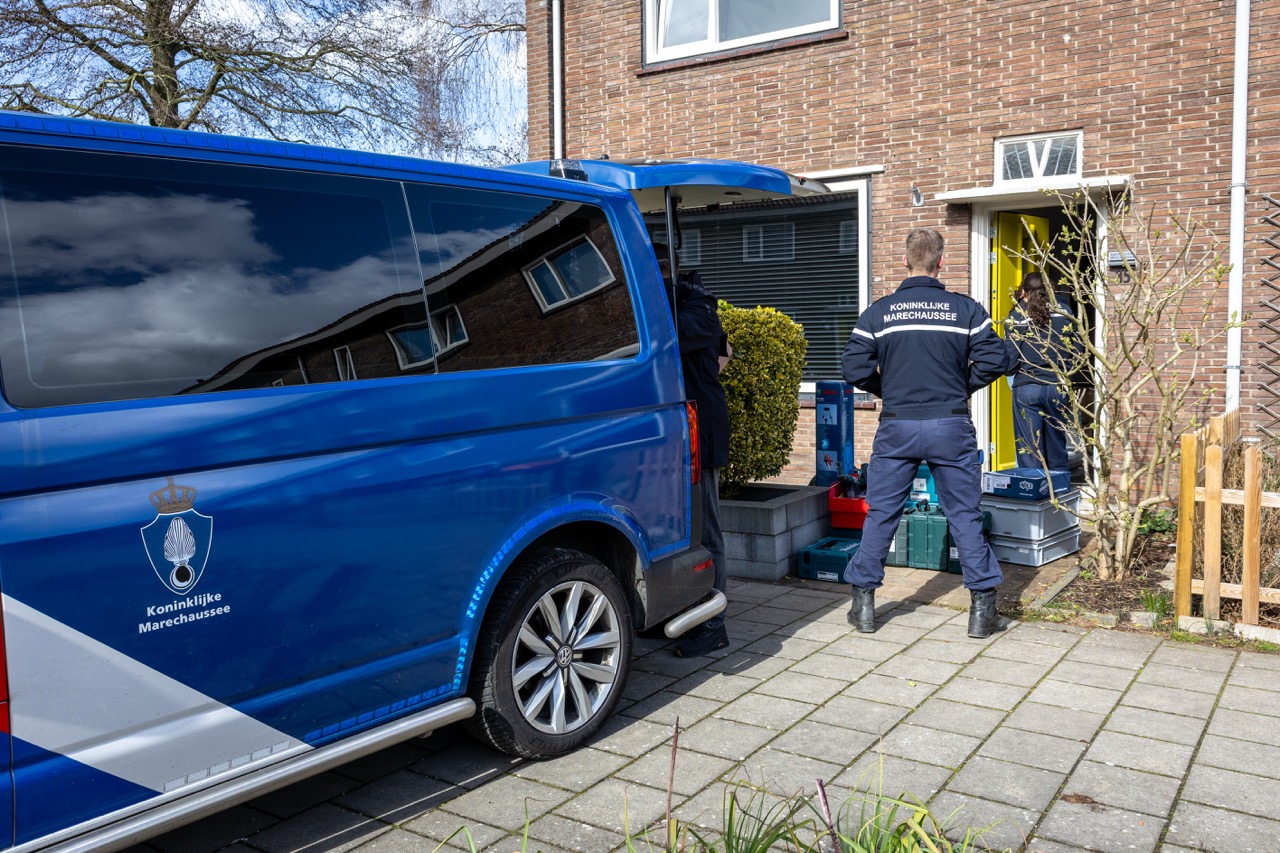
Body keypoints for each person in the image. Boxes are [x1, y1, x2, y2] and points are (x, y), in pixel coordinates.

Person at [841, 227, 1019, 638]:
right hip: (950, 425)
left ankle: (864, 605)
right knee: (964, 514)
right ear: (941, 263)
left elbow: (853, 369)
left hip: (897, 425)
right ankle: (981, 611)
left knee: (882, 512)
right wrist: (963, 386)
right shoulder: (966, 310)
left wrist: (889, 390)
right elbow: (996, 359)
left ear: (906, 261)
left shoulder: (878, 313)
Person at [655, 244, 733, 657]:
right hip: (670, 433)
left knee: (707, 530)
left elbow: (666, 337)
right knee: (675, 529)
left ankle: (713, 622)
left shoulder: (697, 305)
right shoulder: (679, 302)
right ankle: (681, 610)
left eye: (661, 266)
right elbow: (726, 355)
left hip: (699, 434)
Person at [1005, 272, 1080, 472]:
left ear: (1023, 292)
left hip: (1027, 388)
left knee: (1030, 450)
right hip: (1056, 387)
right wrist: (1066, 371)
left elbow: (1010, 361)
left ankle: (1034, 498)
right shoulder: (1064, 311)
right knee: (1057, 446)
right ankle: (1061, 494)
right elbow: (1078, 348)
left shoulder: (1017, 317)